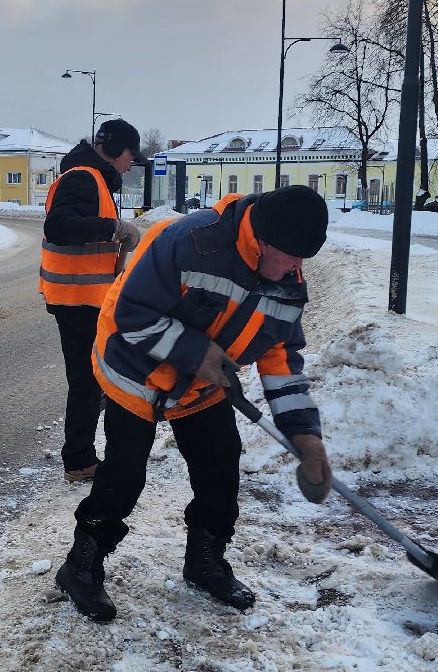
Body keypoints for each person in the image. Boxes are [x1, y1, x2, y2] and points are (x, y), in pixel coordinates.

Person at [55, 183, 334, 622]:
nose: (298, 267)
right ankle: (81, 565)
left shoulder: (287, 283)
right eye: (292, 255)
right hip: (134, 365)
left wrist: (305, 435)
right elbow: (134, 315)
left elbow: (281, 360)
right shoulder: (189, 242)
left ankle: (205, 562)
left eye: (304, 258)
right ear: (262, 242)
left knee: (220, 464)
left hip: (202, 384)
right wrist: (199, 355)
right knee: (124, 475)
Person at [39, 118, 146, 483]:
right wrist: (113, 228)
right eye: (130, 154)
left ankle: (81, 456)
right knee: (88, 380)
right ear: (115, 150)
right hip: (77, 297)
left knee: (93, 379)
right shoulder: (83, 177)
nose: (131, 163)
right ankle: (80, 461)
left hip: (82, 296)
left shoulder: (90, 177)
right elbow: (59, 226)